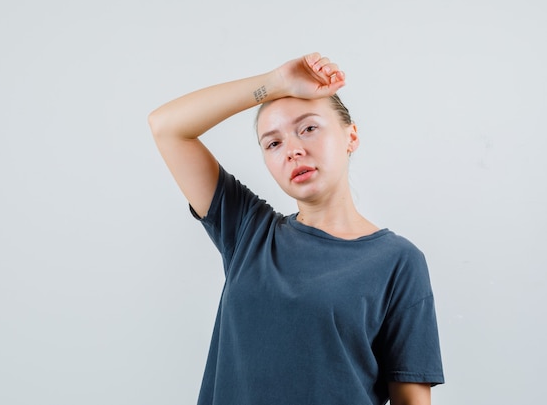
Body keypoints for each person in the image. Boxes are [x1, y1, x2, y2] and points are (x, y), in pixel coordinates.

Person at [148, 52, 444, 405]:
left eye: (308, 128)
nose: (293, 150)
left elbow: (411, 399)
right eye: (273, 143)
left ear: (351, 136)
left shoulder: (398, 261)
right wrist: (273, 83)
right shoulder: (247, 231)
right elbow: (167, 127)